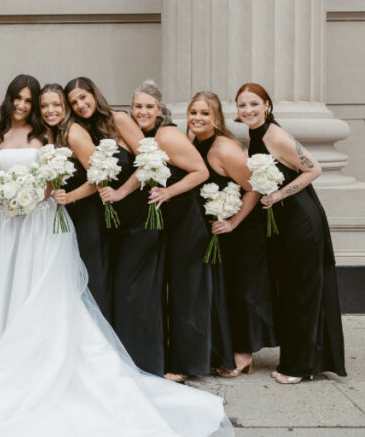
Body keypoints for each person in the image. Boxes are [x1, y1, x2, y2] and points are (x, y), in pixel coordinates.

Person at [0, 74, 233, 437]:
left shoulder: (52, 132)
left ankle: (48, 364)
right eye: (17, 98)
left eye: (29, 99)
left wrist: (58, 194)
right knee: (6, 295)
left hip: (41, 225)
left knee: (46, 297)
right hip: (5, 226)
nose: (23, 104)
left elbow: (87, 172)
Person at [108, 81, 234, 381]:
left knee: (188, 293)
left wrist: (168, 193)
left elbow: (200, 172)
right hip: (165, 225)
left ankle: (188, 366)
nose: (143, 111)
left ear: (160, 110)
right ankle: (188, 357)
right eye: (138, 106)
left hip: (186, 221)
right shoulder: (141, 138)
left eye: (149, 107)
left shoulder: (167, 135)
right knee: (174, 293)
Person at [236, 82, 346, 383]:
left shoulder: (276, 135)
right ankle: (309, 357)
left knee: (301, 293)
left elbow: (315, 169)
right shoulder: (254, 133)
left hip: (301, 221)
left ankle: (299, 367)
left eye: (254, 104)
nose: (248, 110)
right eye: (242, 105)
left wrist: (280, 194)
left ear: (267, 106)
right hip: (283, 223)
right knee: (291, 290)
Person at [188, 91, 275, 375]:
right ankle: (226, 345)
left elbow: (255, 187)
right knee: (227, 289)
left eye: (205, 113)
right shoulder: (195, 143)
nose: (198, 118)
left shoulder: (223, 148)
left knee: (243, 290)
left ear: (216, 118)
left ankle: (244, 353)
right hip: (219, 229)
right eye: (193, 112)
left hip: (242, 228)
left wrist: (233, 222)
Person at [64, 76, 144, 322]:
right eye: (73, 102)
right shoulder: (84, 133)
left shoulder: (118, 120)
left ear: (94, 94)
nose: (80, 105)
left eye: (83, 97)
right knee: (116, 285)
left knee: (135, 286)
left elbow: (149, 161)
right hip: (109, 219)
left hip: (135, 214)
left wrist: (121, 192)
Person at [39, 83, 109, 318]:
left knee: (90, 278)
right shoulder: (54, 133)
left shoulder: (73, 132)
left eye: (56, 105)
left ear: (65, 107)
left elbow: (100, 177)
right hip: (69, 217)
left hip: (87, 215)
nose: (50, 110)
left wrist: (69, 197)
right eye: (44, 106)